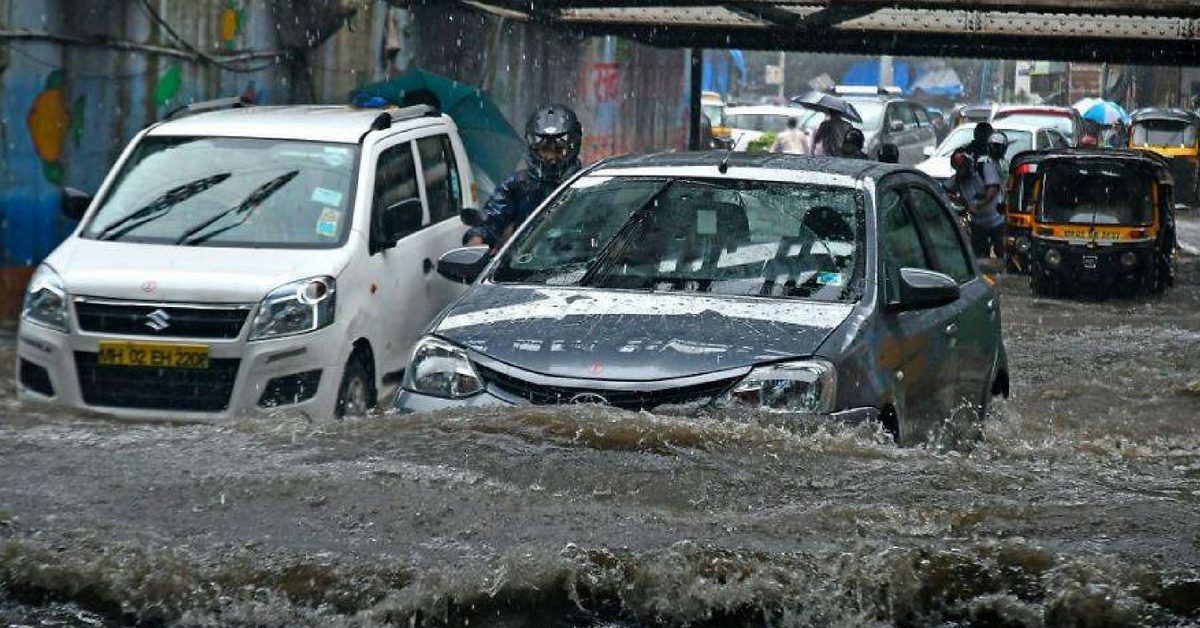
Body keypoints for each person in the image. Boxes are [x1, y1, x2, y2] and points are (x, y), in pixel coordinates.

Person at [464, 104, 582, 248]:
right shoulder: (519, 184)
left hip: (581, 265)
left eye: (558, 150)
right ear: (534, 149)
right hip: (524, 263)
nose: (551, 157)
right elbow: (491, 222)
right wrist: (477, 239)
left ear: (572, 148)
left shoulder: (587, 186)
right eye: (544, 150)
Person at [944, 148, 1005, 259]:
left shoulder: (985, 167)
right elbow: (944, 190)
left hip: (997, 220)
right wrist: (960, 201)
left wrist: (979, 204)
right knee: (979, 256)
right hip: (978, 224)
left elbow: (993, 190)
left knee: (1002, 252)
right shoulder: (958, 179)